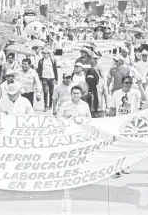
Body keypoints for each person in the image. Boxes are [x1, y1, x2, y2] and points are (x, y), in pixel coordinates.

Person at [58, 85, 92, 215]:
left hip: (80, 135)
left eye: (78, 93)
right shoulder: (66, 104)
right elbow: (59, 118)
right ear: (71, 94)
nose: (76, 95)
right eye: (74, 93)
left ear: (81, 94)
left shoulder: (85, 105)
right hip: (68, 135)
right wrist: (65, 118)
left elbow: (89, 119)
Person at [109, 75, 145, 176]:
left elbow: (144, 98)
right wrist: (110, 122)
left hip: (130, 124)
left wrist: (140, 85)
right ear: (122, 83)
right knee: (118, 145)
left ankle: (126, 165)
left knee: (127, 146)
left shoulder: (135, 93)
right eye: (126, 83)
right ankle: (117, 166)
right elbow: (112, 109)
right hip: (118, 122)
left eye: (130, 83)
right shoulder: (116, 94)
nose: (128, 85)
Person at [37, 47, 58, 112]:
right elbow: (39, 70)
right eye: (44, 53)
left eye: (47, 53)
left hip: (51, 78)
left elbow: (55, 70)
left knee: (51, 92)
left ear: (49, 54)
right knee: (45, 92)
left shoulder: (53, 60)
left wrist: (56, 79)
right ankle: (45, 106)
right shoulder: (41, 61)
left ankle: (50, 105)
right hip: (44, 78)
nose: (45, 55)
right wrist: (39, 78)